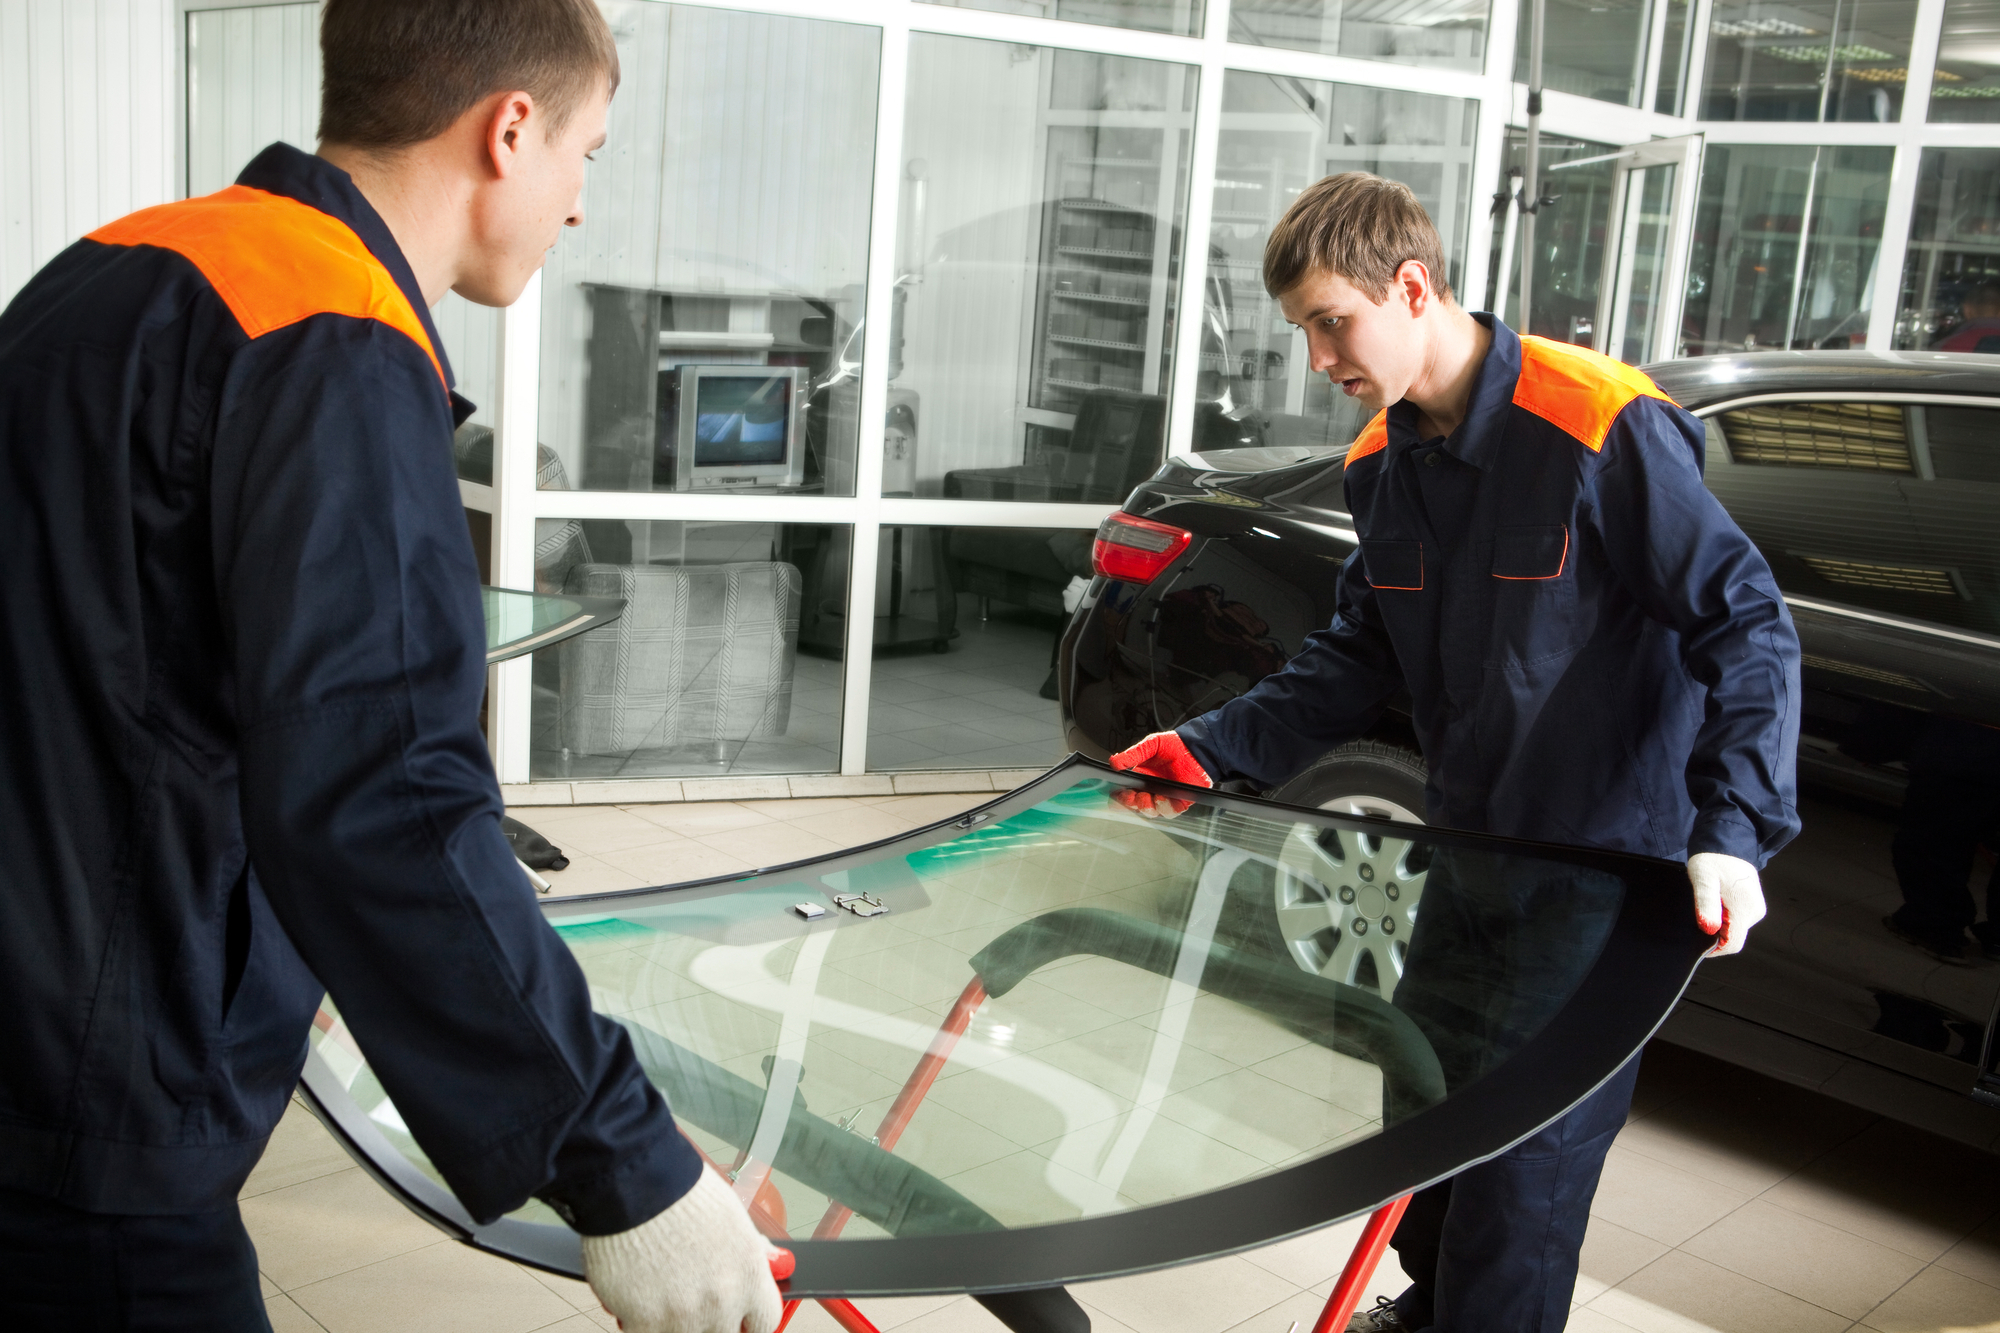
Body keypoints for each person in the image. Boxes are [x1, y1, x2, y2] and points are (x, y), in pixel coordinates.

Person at [0, 3, 780, 1330]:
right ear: (511, 129)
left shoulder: (122, 264)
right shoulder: (334, 336)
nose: (581, 204)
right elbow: (381, 793)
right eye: (590, 152)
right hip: (91, 1105)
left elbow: (124, 675)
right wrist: (627, 1168)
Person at [1110, 172, 1801, 1333]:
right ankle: (1426, 1310)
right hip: (1468, 854)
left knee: (1518, 1179)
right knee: (1421, 1119)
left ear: (1412, 287)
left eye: (1332, 320)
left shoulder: (1594, 422)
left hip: (1601, 875)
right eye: (1302, 331)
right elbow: (1355, 654)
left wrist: (1732, 830)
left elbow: (1745, 623)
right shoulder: (1384, 460)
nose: (1319, 355)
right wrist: (1206, 747)